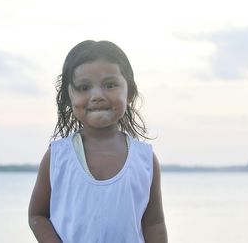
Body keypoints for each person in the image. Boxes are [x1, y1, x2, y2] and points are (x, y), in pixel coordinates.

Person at [28, 40, 168, 243]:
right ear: (69, 96)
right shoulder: (58, 156)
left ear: (129, 93)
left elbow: (154, 224)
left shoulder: (144, 159)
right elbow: (37, 215)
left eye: (110, 85)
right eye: (84, 87)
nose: (97, 96)